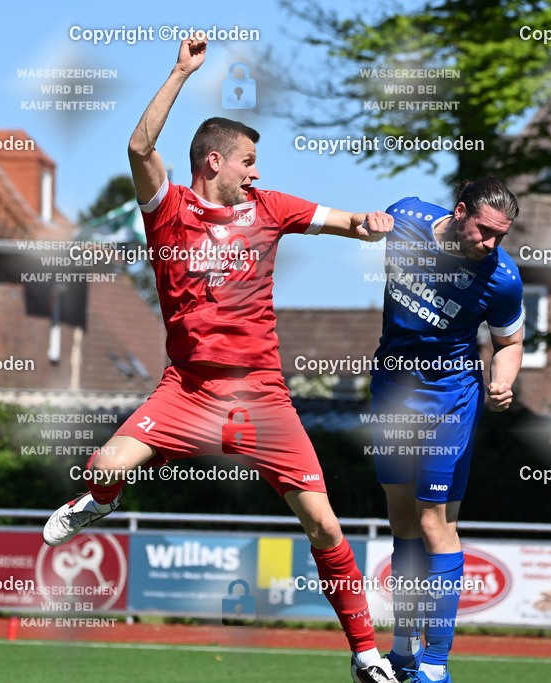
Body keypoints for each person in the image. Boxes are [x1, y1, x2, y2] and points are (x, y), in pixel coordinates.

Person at [42, 37, 401, 683]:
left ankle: (366, 653)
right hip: (188, 390)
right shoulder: (169, 210)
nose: (257, 173)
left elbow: (344, 221)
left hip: (262, 394)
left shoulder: (270, 209)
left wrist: (371, 223)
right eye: (249, 161)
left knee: (322, 523)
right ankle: (97, 499)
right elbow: (138, 148)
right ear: (216, 161)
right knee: (102, 464)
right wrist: (181, 72)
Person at [369, 179, 524, 682]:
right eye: (484, 231)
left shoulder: (502, 278)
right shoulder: (406, 218)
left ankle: (434, 664)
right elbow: (360, 226)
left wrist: (503, 380)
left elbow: (511, 341)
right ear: (460, 213)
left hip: (450, 398)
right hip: (392, 388)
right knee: (400, 517)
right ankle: (401, 651)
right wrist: (365, 226)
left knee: (435, 521)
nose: (491, 244)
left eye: (501, 235)